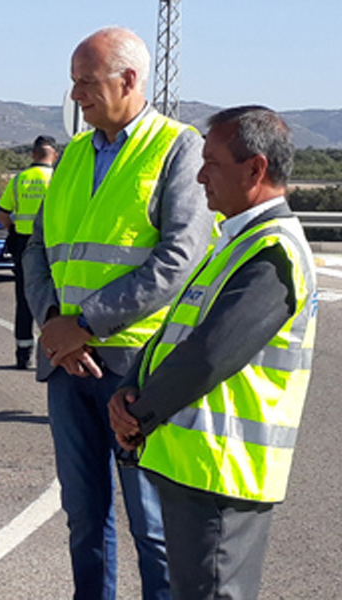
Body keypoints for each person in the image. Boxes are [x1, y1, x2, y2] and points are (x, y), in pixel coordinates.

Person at [23, 27, 215, 599]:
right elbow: (38, 250)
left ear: (129, 80)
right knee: (84, 518)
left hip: (139, 367)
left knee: (152, 527)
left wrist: (84, 324)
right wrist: (54, 326)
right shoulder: (74, 156)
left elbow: (180, 257)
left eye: (86, 81)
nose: (75, 94)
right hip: (68, 366)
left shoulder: (178, 148)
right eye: (74, 82)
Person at [109, 106, 317, 599]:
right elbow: (174, 334)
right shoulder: (233, 242)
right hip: (196, 468)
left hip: (223, 473)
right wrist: (129, 387)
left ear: (255, 169)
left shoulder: (273, 252)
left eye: (212, 163)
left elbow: (209, 355)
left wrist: (138, 416)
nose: (200, 176)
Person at [0, 135, 58, 369]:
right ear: (54, 156)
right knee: (55, 300)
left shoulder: (19, 180)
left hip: (24, 245)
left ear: (33, 154)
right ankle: (55, 353)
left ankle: (23, 354)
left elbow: (2, 214)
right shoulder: (58, 179)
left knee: (24, 300)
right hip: (53, 245)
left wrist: (13, 230)